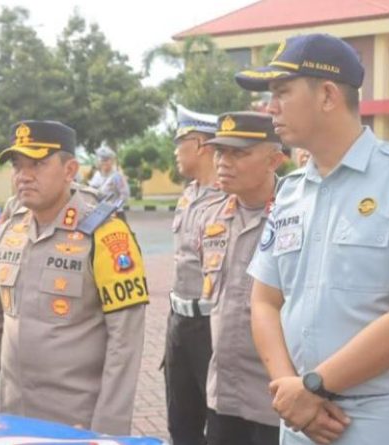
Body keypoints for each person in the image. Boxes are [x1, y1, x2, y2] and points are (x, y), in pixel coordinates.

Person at [238, 33, 389, 444]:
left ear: (328, 95)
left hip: (387, 423)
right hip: (300, 423)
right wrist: (289, 389)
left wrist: (314, 386)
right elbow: (264, 300)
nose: (268, 108)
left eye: (281, 93)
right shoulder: (291, 192)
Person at [0, 120, 148, 435]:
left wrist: (107, 433)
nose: (24, 175)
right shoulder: (8, 233)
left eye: (38, 164)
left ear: (70, 169)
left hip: (77, 425)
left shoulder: (106, 235)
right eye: (18, 166)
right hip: (13, 420)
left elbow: (124, 346)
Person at [197, 112, 284, 445]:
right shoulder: (213, 216)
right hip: (223, 393)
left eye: (239, 153)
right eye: (220, 152)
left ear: (274, 160)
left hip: (275, 398)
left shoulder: (296, 216)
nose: (223, 162)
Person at [163, 104, 225, 445]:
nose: (175, 151)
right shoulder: (188, 196)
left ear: (200, 145)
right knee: (180, 424)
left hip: (210, 328)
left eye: (180, 142)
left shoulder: (229, 199)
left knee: (218, 423)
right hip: (179, 323)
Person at [89, 146, 130, 217]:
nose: (104, 163)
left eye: (107, 160)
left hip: (115, 213)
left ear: (112, 161)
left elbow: (125, 195)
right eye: (102, 160)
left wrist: (115, 208)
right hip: (99, 213)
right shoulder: (97, 175)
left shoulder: (117, 176)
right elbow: (92, 192)